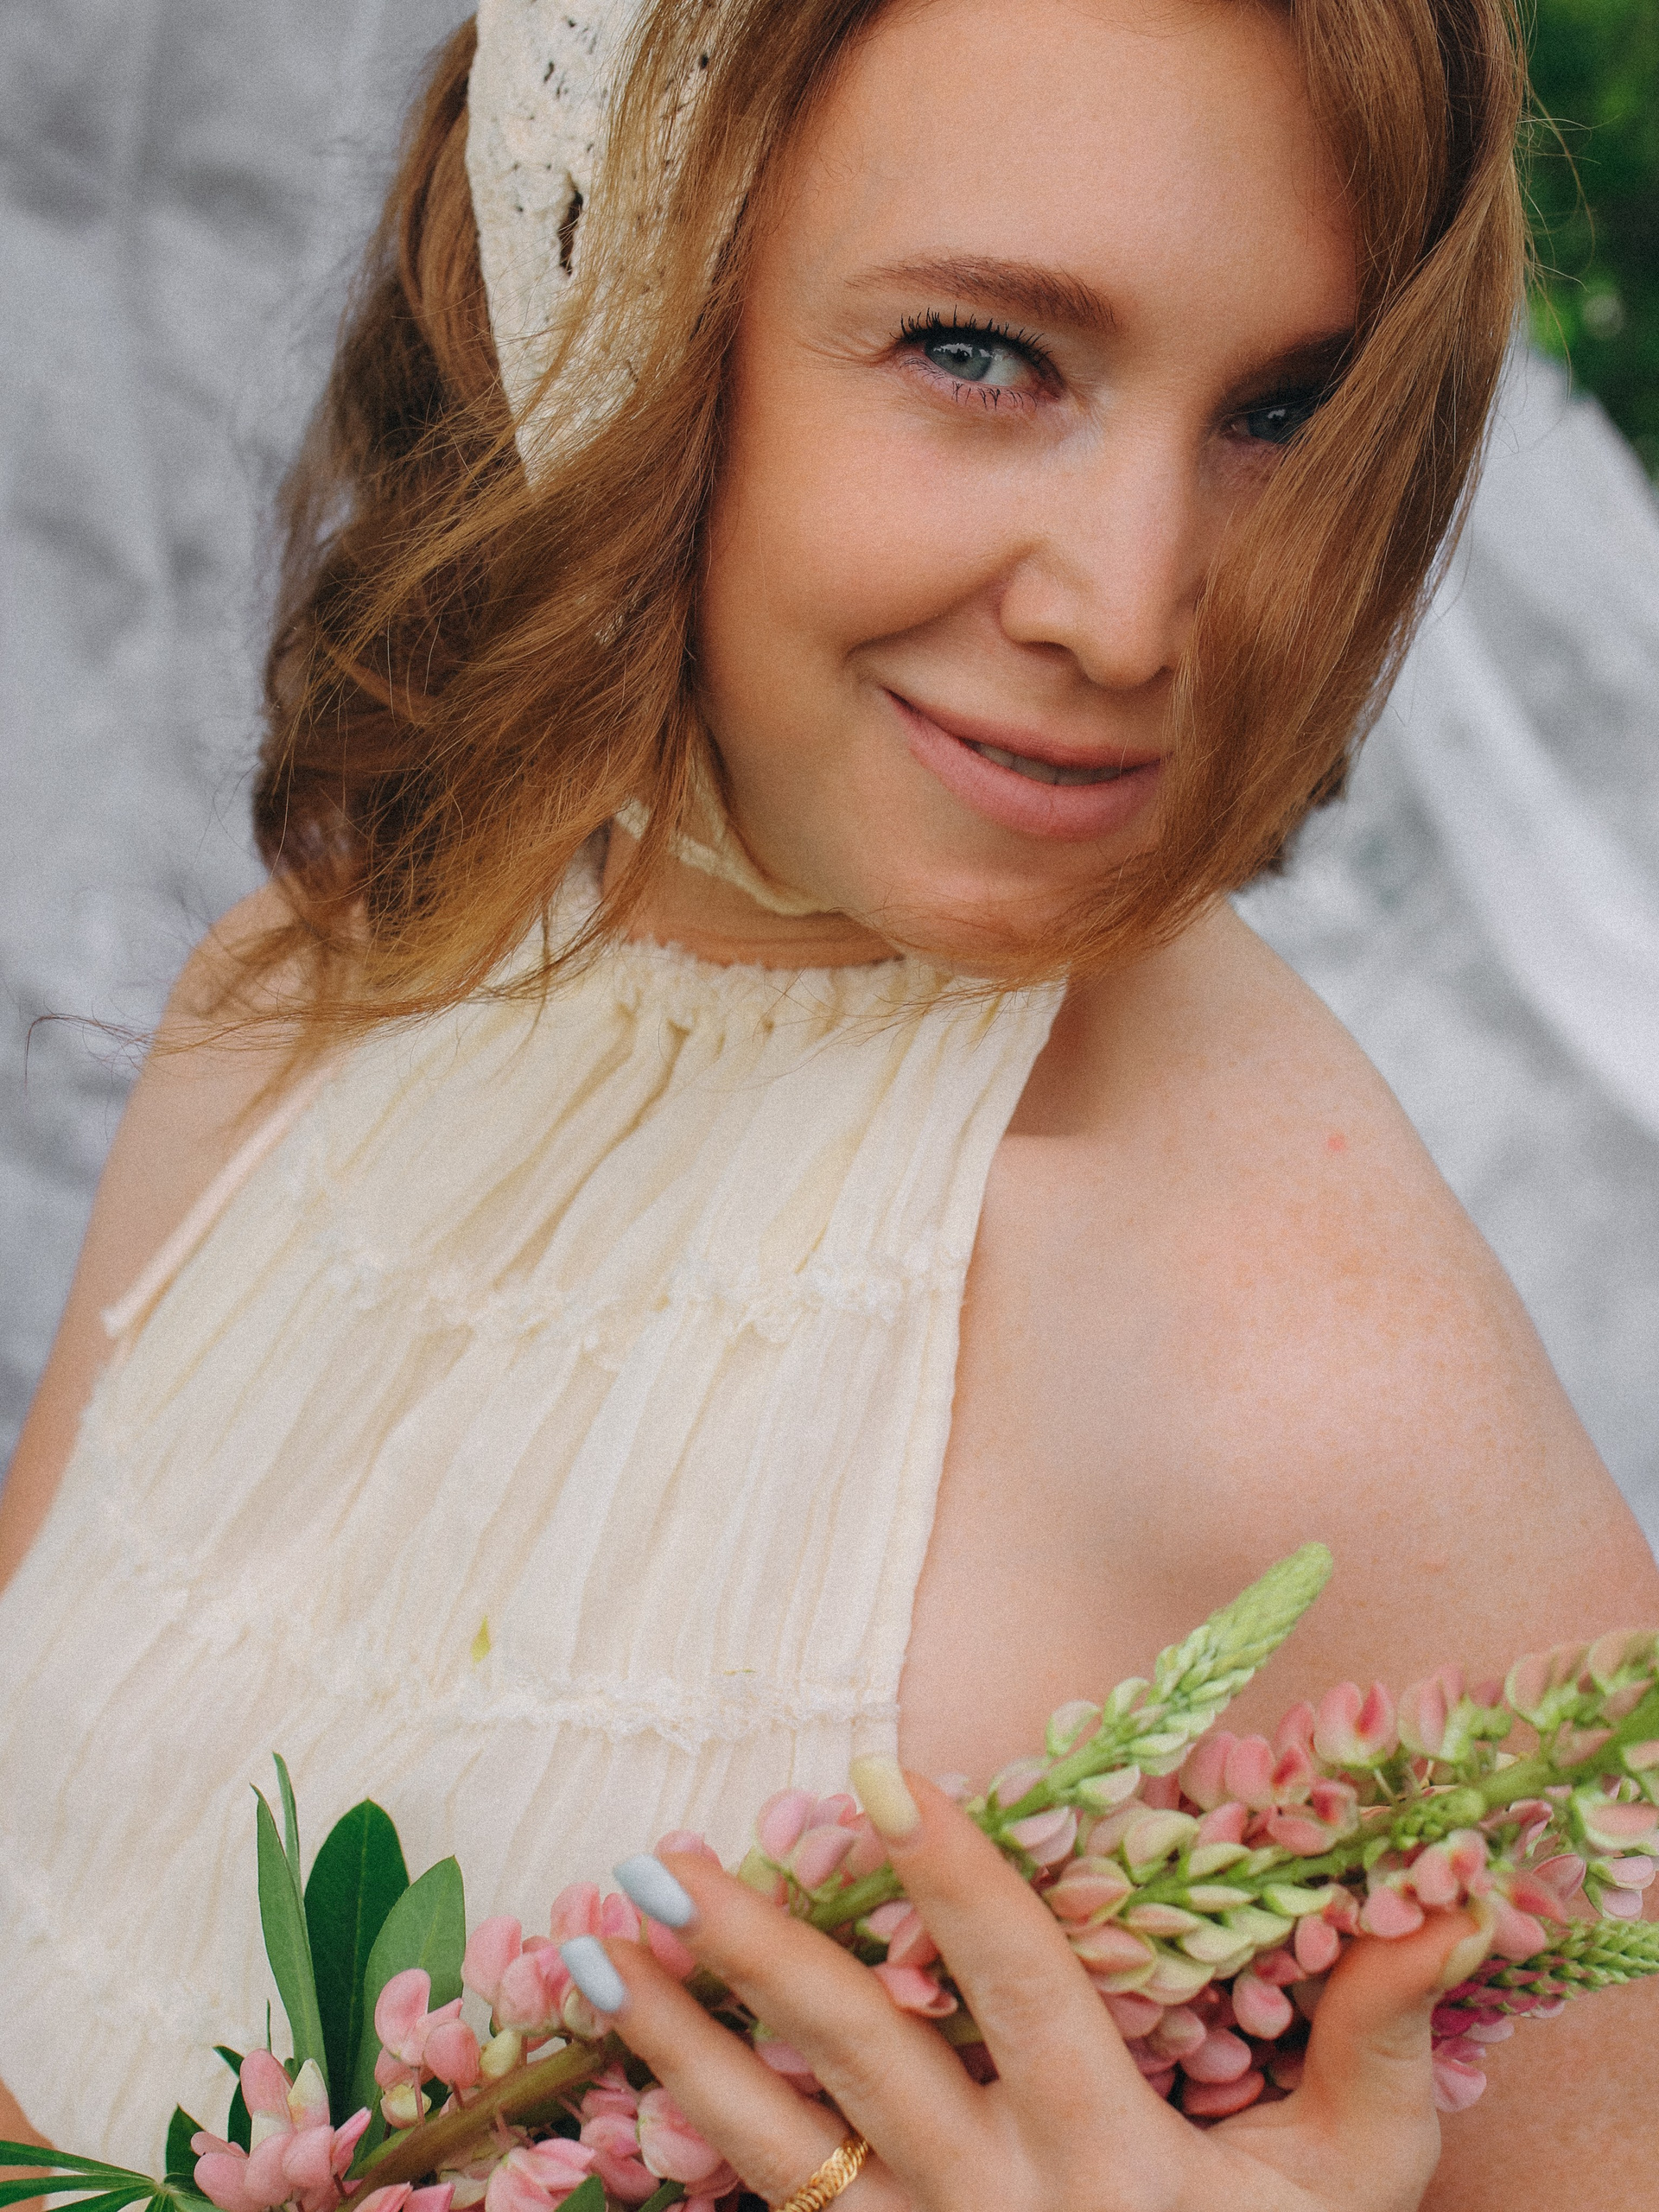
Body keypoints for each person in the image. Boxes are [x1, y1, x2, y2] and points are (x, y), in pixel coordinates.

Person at [1, 0, 1655, 2206]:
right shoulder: (290, 1012)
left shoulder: (1305, 1368)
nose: (1136, 613)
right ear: (617, 292)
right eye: (984, 354)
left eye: (1287, 409)